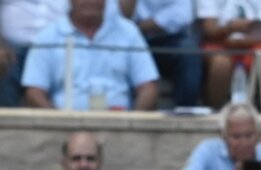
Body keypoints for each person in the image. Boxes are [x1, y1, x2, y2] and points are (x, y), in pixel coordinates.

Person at [21, 0, 160, 109]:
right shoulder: (48, 36)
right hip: (64, 125)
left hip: (118, 125)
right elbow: (34, 92)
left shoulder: (129, 32)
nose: (91, 1)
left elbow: (148, 88)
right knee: (81, 144)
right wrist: (57, 120)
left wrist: (131, 124)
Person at [196, 0, 261, 110]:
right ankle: (215, 115)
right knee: (220, 64)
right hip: (219, 45)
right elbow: (209, 30)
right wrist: (231, 28)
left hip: (252, 46)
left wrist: (236, 42)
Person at [44, 129, 177, 170]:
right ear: (64, 164)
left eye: (90, 159)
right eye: (76, 159)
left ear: (100, 163)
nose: (84, 165)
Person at [125, 0, 203, 108]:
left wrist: (141, 26)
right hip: (128, 36)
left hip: (168, 38)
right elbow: (116, 13)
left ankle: (185, 115)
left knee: (189, 53)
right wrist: (129, 28)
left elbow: (182, 14)